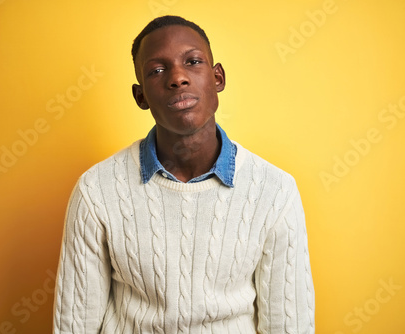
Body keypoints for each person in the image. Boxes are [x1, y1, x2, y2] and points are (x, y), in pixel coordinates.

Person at [53, 15, 315, 334]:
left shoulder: (275, 192)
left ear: (217, 77)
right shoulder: (96, 191)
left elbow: (290, 326)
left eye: (192, 61)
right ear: (140, 96)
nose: (178, 78)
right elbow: (75, 324)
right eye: (157, 70)